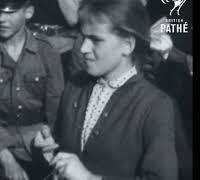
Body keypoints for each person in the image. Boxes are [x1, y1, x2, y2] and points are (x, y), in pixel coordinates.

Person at [34, 0, 178, 180]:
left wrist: (88, 178)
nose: (83, 48)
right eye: (83, 37)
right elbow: (70, 151)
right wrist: (51, 149)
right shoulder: (76, 85)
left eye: (95, 39)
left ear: (128, 45)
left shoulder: (155, 105)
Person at [0, 0, 64, 179]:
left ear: (28, 12)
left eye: (10, 12)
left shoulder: (46, 51)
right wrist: (6, 159)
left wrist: (50, 135)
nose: (1, 19)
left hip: (38, 140)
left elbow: (57, 108)